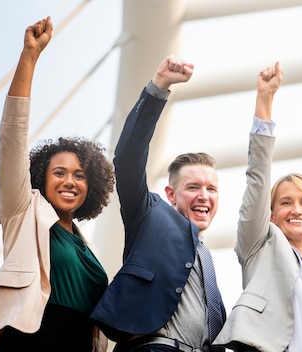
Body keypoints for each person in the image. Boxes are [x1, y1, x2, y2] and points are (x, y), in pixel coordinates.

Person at [0, 17, 115, 352]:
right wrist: (30, 56)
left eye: (79, 174)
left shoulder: (89, 249)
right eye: (59, 172)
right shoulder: (22, 210)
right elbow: (12, 139)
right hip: (31, 339)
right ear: (41, 179)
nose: (69, 181)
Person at [90, 55, 226, 352]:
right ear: (171, 194)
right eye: (193, 187)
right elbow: (127, 159)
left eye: (211, 188)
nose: (204, 195)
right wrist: (159, 87)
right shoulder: (149, 214)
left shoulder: (205, 257)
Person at [213, 62, 302, 352]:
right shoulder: (260, 246)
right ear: (271, 215)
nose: (296, 209)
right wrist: (265, 99)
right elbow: (258, 180)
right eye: (286, 202)